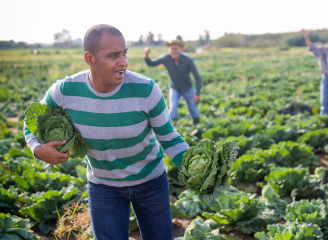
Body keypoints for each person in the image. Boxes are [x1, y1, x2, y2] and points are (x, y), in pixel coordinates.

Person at [24, 24, 189, 240]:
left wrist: (194, 167)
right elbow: (31, 122)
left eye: (124, 53)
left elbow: (169, 138)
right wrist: (37, 149)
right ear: (89, 58)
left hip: (151, 181)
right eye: (113, 55)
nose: (123, 62)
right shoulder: (65, 91)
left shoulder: (146, 90)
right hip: (104, 187)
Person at [144, 40, 201, 126]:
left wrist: (197, 94)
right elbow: (151, 63)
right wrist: (146, 55)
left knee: (193, 108)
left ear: (180, 49)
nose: (174, 50)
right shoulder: (166, 58)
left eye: (176, 48)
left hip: (187, 88)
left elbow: (197, 77)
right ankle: (171, 130)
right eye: (172, 48)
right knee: (172, 108)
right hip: (174, 87)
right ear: (169, 49)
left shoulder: (188, 60)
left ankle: (197, 128)